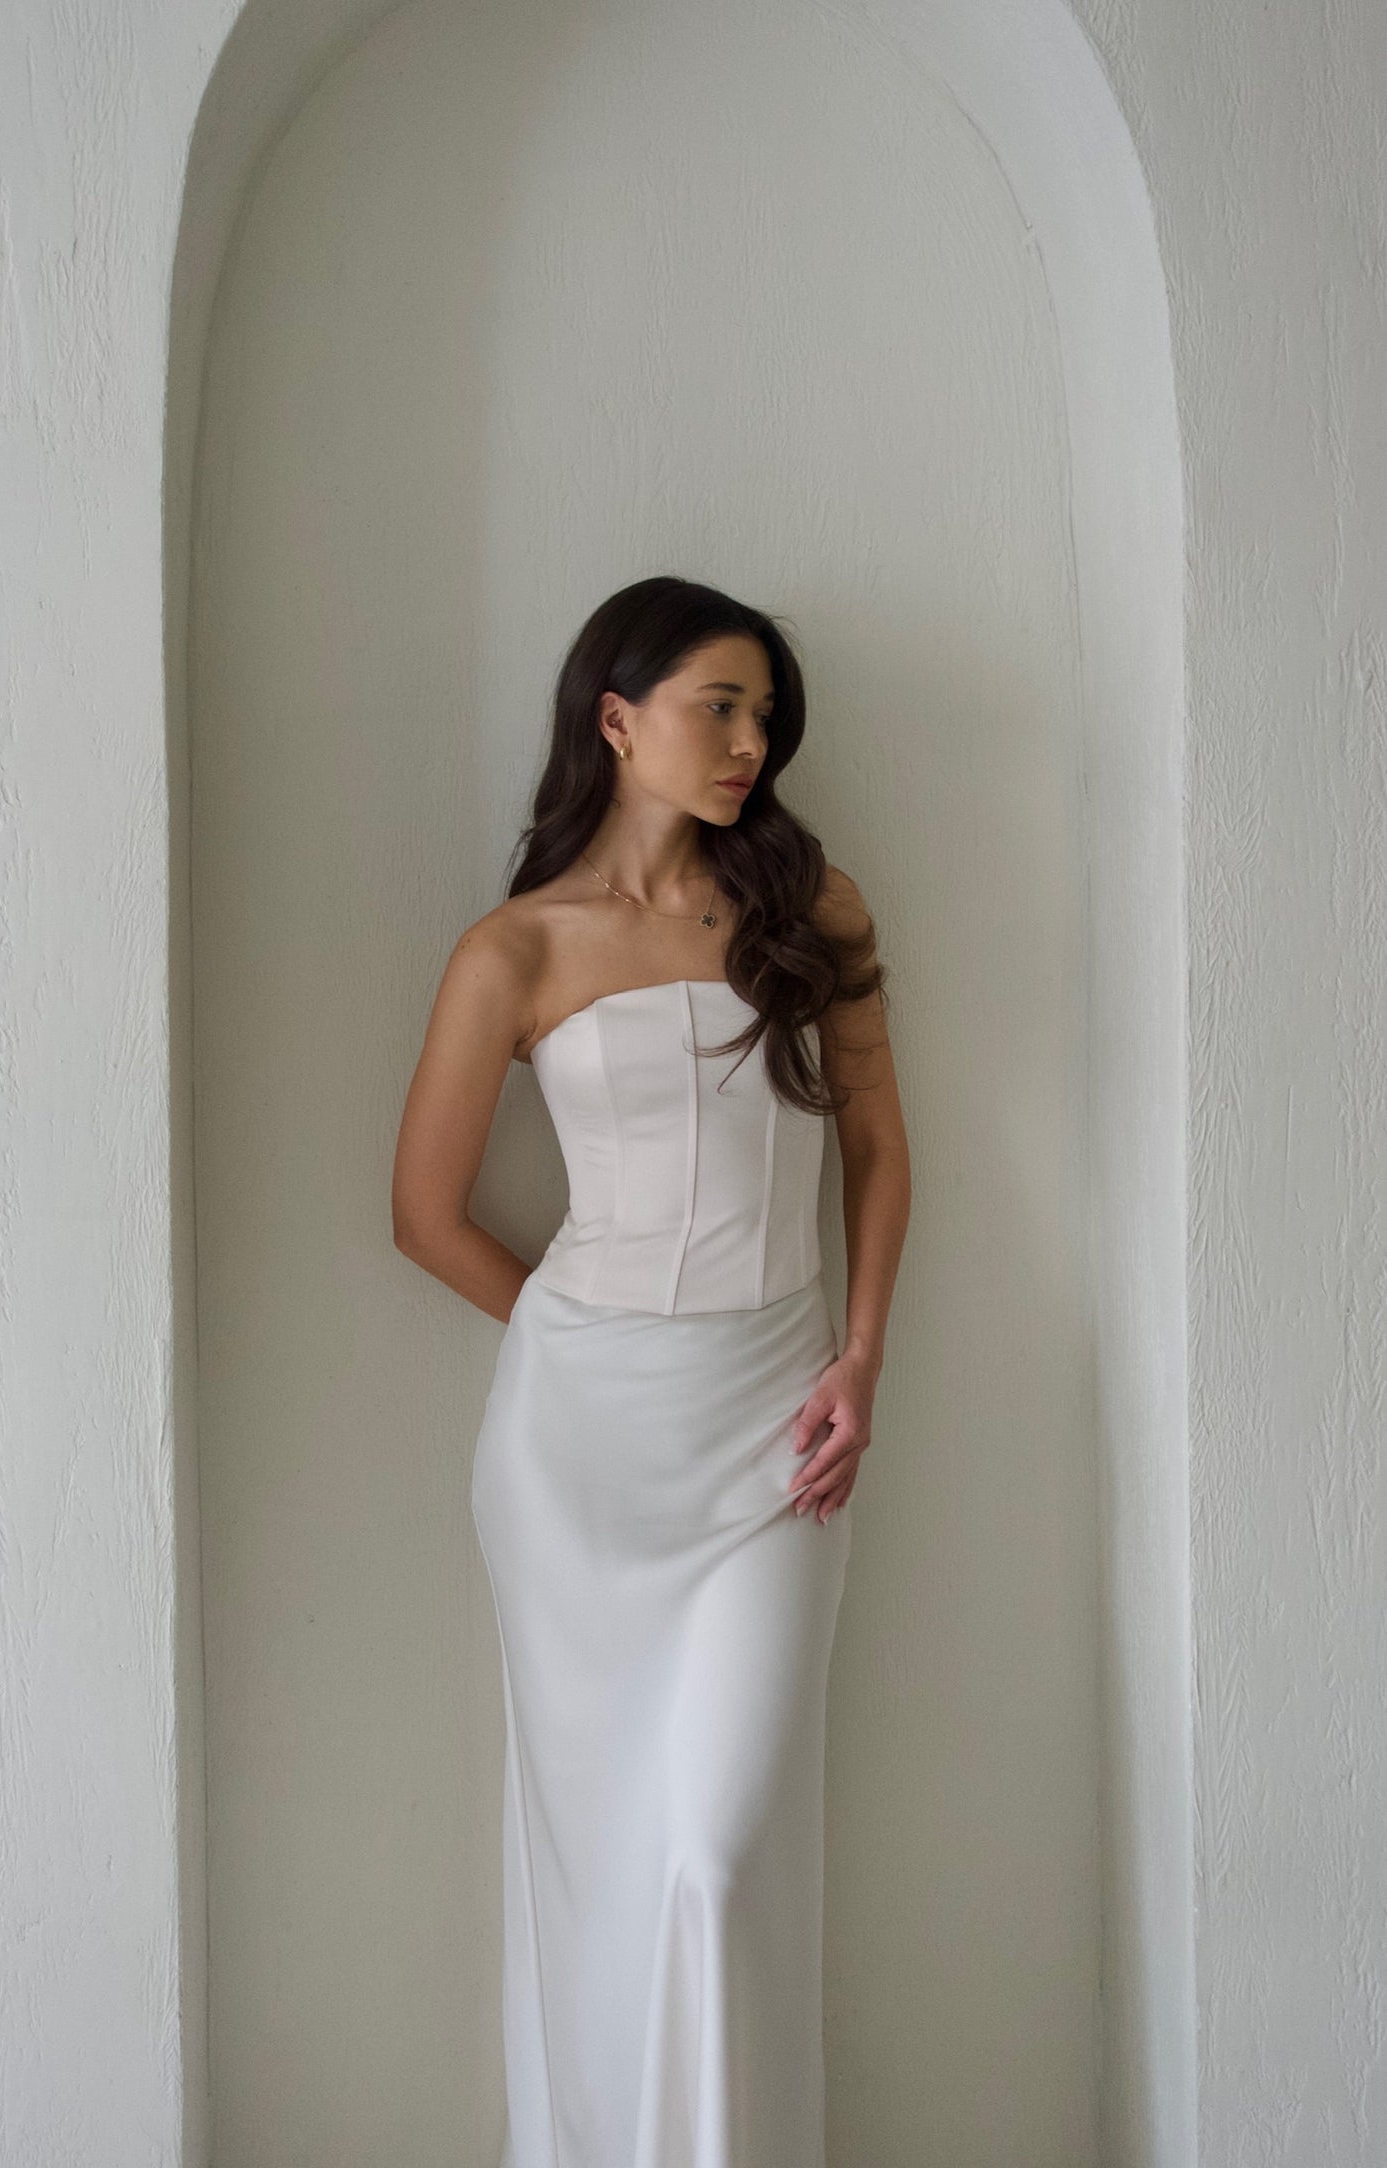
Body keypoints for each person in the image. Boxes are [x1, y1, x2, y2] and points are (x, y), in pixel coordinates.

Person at [392, 574, 911, 2166]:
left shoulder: (812, 910)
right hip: (574, 1455)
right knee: (603, 1860)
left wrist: (859, 1361)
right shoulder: (514, 950)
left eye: (764, 714)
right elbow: (424, 1216)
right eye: (719, 706)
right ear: (615, 722)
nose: (752, 742)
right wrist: (579, 1334)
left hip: (770, 1435)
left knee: (716, 1852)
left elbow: (882, 1156)